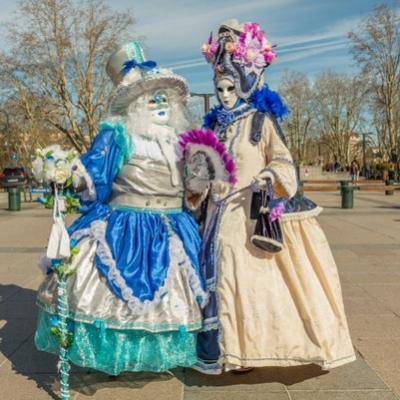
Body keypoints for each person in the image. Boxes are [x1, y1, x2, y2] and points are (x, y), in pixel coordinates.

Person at [186, 20, 356, 374]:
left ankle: (249, 349)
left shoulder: (260, 121)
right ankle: (224, 352)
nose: (225, 94)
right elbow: (201, 169)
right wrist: (195, 185)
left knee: (242, 276)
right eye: (220, 88)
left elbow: (282, 162)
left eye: (232, 86)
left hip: (248, 213)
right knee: (214, 275)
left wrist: (268, 175)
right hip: (216, 215)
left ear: (246, 82)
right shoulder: (214, 125)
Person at [34, 41, 207, 375]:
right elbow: (93, 173)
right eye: (151, 98)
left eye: (164, 98)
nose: (159, 104)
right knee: (114, 298)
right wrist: (67, 173)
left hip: (173, 225)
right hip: (126, 225)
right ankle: (121, 356)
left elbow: (194, 186)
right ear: (136, 105)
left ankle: (161, 354)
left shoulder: (180, 141)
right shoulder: (118, 136)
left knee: (176, 297)